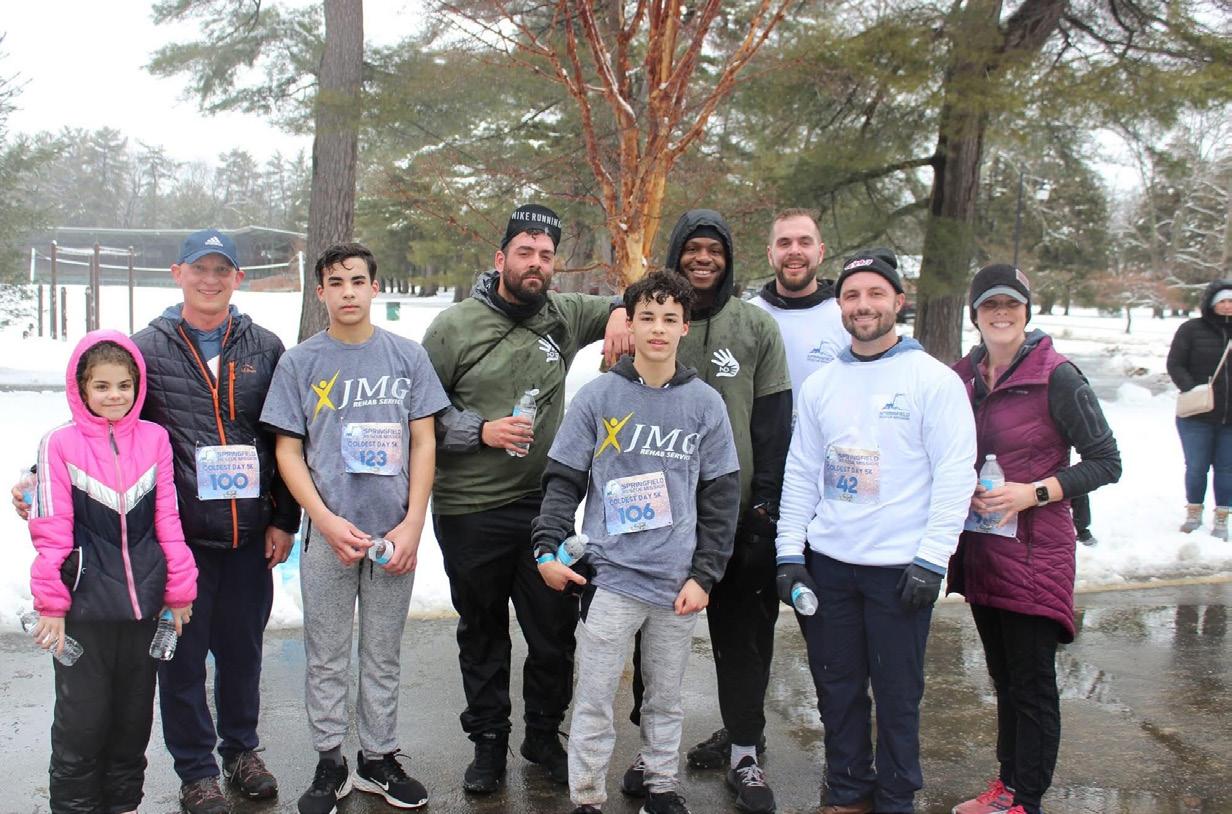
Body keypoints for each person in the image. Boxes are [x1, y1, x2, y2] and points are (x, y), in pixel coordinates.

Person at [15, 229, 300, 814]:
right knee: (181, 660)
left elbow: (285, 436)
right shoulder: (148, 349)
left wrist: (285, 519)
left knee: (243, 651)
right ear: (178, 273)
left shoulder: (266, 346)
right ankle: (196, 771)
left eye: (222, 270)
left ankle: (241, 751)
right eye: (200, 268)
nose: (210, 280)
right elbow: (105, 422)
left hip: (249, 532)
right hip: (178, 538)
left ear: (237, 278)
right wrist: (38, 475)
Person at [422, 204, 631, 793]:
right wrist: (480, 431)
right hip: (469, 508)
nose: (535, 264)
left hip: (543, 508)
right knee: (483, 630)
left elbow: (633, 301)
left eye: (545, 255)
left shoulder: (563, 314)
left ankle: (542, 735)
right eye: (524, 253)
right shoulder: (453, 327)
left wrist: (620, 312)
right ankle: (488, 743)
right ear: (500, 258)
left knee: (553, 630)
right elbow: (420, 413)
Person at [774, 249, 977, 814]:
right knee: (836, 688)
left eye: (875, 294)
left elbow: (955, 474)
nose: (863, 305)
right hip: (830, 565)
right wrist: (789, 554)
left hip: (900, 569)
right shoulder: (822, 384)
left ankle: (895, 796)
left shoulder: (932, 380)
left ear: (899, 302)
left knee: (897, 695)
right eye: (852, 295)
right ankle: (847, 790)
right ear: (840, 305)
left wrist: (933, 559)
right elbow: (802, 473)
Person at [532, 271, 741, 814]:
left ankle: (661, 786)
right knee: (595, 697)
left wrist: (705, 575)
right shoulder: (598, 396)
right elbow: (562, 481)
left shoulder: (706, 405)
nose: (658, 329)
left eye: (670, 319)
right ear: (630, 322)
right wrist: (547, 548)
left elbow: (721, 499)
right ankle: (586, 796)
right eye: (647, 317)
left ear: (685, 328)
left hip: (676, 585)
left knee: (665, 699)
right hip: (611, 580)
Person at [261, 243, 449, 813]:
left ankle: (378, 758)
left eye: (358, 281)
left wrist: (413, 523)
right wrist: (323, 519)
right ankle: (329, 760)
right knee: (326, 653)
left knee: (383, 652)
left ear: (374, 287)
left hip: (393, 535)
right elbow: (287, 450)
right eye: (336, 283)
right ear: (320, 291)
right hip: (328, 535)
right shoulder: (300, 363)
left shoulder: (407, 358)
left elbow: (423, 441)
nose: (348, 292)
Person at [623, 208, 792, 814]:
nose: (703, 258)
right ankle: (651, 752)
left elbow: (773, 423)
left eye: (714, 250)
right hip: (661, 523)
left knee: (743, 641)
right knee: (654, 644)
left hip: (739, 518)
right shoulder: (654, 324)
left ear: (729, 258)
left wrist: (765, 505)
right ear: (676, 253)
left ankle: (745, 751)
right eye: (692, 247)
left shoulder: (755, 326)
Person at [947, 264, 1122, 814]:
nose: (1000, 313)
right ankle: (1007, 787)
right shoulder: (962, 378)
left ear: (1027, 310)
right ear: (975, 314)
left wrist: (1035, 492)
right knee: (1004, 679)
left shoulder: (1058, 376)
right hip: (982, 550)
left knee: (1032, 684)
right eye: (990, 304)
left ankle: (1028, 799)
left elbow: (1106, 461)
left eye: (1011, 304)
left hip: (1034, 552)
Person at [28, 330, 198, 814]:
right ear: (81, 388)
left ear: (137, 387)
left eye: (124, 385)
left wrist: (179, 590)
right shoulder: (58, 444)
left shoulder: (155, 438)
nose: (114, 396)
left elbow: (169, 520)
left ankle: (124, 805)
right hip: (84, 613)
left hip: (143, 611)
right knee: (81, 723)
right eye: (101, 386)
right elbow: (51, 531)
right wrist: (52, 605)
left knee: (132, 722)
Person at [749, 208, 849, 405]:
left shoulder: (845, 317)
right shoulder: (748, 317)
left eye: (805, 242)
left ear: (820, 253)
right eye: (784, 243)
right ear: (770, 255)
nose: (794, 251)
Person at [1166, 279, 1232, 540]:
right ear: (1211, 304)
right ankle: (1193, 513)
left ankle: (1222, 516)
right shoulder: (1191, 330)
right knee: (1196, 467)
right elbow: (1175, 363)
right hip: (1197, 415)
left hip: (1230, 419)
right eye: (1222, 301)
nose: (1227, 306)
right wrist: (1191, 388)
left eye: (1231, 301)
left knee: (1227, 469)